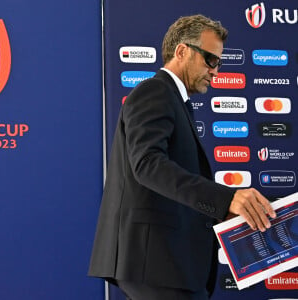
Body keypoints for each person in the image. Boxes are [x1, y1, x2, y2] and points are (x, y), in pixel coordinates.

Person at [89, 14, 276, 300]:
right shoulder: (154, 91)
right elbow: (148, 165)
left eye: (219, 63)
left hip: (170, 265)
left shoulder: (174, 101)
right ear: (182, 51)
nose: (216, 71)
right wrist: (226, 198)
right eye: (210, 60)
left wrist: (223, 211)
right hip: (157, 263)